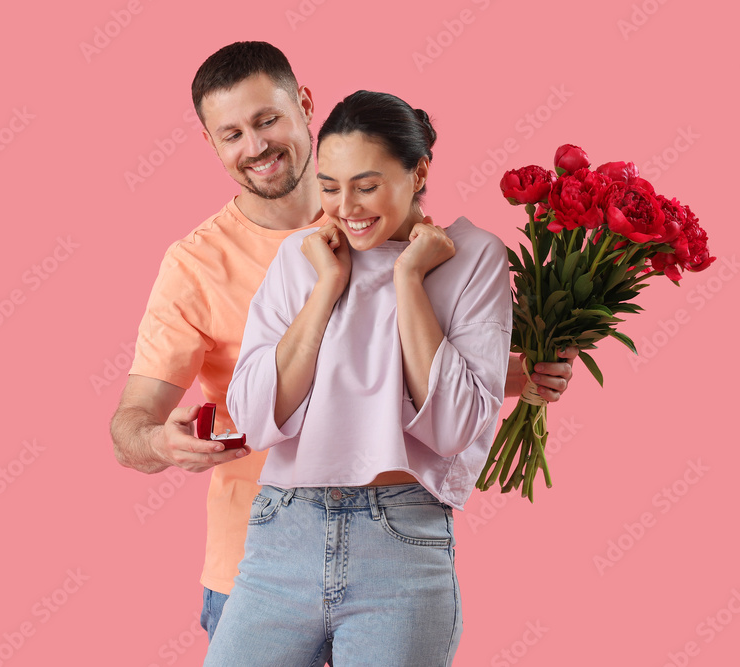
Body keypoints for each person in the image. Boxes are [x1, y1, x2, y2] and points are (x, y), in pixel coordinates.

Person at [109, 41, 577, 645]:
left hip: (399, 529)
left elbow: (442, 405)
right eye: (231, 134)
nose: (255, 146)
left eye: (267, 119)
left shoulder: (442, 250)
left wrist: (510, 374)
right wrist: (159, 442)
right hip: (256, 542)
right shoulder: (204, 264)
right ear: (211, 144)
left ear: (304, 105)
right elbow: (135, 423)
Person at [205, 90, 503, 666]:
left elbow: (455, 427)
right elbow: (257, 414)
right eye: (331, 186)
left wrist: (410, 279)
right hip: (280, 534)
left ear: (418, 173)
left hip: (400, 543)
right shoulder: (303, 257)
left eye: (366, 186)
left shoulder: (472, 257)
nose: (345, 207)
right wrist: (325, 287)